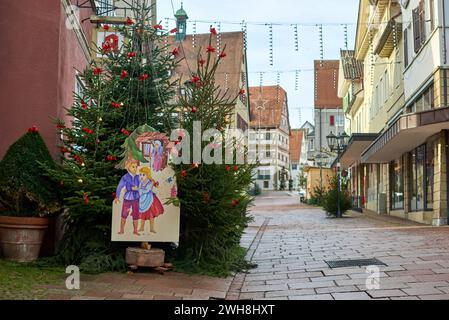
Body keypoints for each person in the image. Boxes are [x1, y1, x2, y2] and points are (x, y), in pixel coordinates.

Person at [114, 159, 140, 236]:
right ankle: (122, 230)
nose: (135, 169)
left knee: (136, 214)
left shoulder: (138, 177)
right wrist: (117, 196)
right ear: (128, 167)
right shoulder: (125, 177)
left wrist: (138, 188)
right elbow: (119, 186)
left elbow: (142, 185)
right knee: (124, 214)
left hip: (136, 198)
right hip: (128, 198)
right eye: (133, 167)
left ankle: (135, 230)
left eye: (136, 167)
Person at [138, 167, 164, 233]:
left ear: (148, 175)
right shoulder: (140, 182)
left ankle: (151, 228)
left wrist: (139, 189)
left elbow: (147, 190)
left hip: (150, 199)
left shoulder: (150, 183)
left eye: (143, 175)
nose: (141, 176)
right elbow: (139, 190)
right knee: (142, 214)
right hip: (142, 199)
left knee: (151, 214)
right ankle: (141, 227)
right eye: (140, 174)